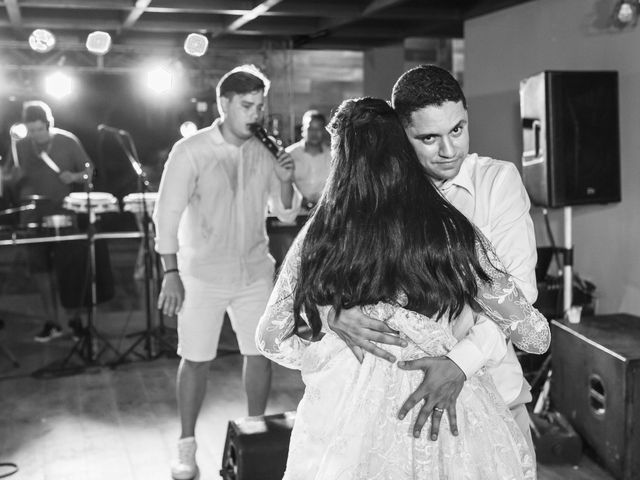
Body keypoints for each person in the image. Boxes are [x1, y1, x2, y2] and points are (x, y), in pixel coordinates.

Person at [256, 97, 549, 478]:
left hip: (350, 421)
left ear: (339, 157)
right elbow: (535, 335)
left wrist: (328, 348)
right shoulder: (450, 229)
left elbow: (271, 338)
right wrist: (449, 348)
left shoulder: (321, 234)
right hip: (441, 416)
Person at [328, 65, 540, 453]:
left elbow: (520, 295)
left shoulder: (497, 181)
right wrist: (338, 310)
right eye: (429, 137)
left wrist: (460, 362)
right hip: (404, 406)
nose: (449, 150)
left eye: (457, 129)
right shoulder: (380, 195)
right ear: (400, 136)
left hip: (494, 390)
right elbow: (338, 275)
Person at [153, 65, 301, 480]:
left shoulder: (266, 149)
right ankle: (187, 445)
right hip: (201, 273)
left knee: (259, 354)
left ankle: (255, 434)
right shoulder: (191, 150)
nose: (255, 114)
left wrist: (286, 180)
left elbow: (284, 211)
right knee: (196, 358)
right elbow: (166, 215)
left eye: (260, 106)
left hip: (254, 270)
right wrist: (170, 271)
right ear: (224, 104)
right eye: (246, 105)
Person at [1, 100, 92, 342]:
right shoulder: (20, 146)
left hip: (63, 214)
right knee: (41, 272)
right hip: (32, 217)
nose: (36, 135)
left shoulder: (67, 141)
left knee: (69, 272)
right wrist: (11, 177)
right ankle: (52, 322)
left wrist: (74, 175)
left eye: (40, 129)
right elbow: (7, 180)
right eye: (31, 130)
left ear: (49, 125)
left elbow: (89, 171)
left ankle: (75, 320)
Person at [286, 110, 331, 207]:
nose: (314, 133)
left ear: (324, 131)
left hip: (325, 212)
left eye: (318, 129)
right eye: (310, 128)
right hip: (295, 213)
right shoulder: (289, 155)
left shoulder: (333, 157)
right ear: (303, 130)